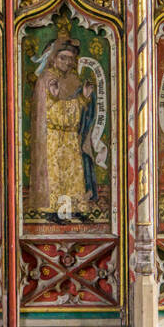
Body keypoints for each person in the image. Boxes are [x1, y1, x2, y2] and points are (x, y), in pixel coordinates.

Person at [28, 34, 96, 220]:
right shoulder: (46, 79)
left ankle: (74, 209)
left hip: (71, 136)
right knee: (55, 173)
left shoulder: (73, 80)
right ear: (53, 58)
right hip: (53, 135)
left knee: (73, 172)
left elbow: (76, 110)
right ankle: (52, 211)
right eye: (62, 58)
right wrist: (62, 99)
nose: (67, 62)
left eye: (70, 59)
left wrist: (84, 98)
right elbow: (50, 111)